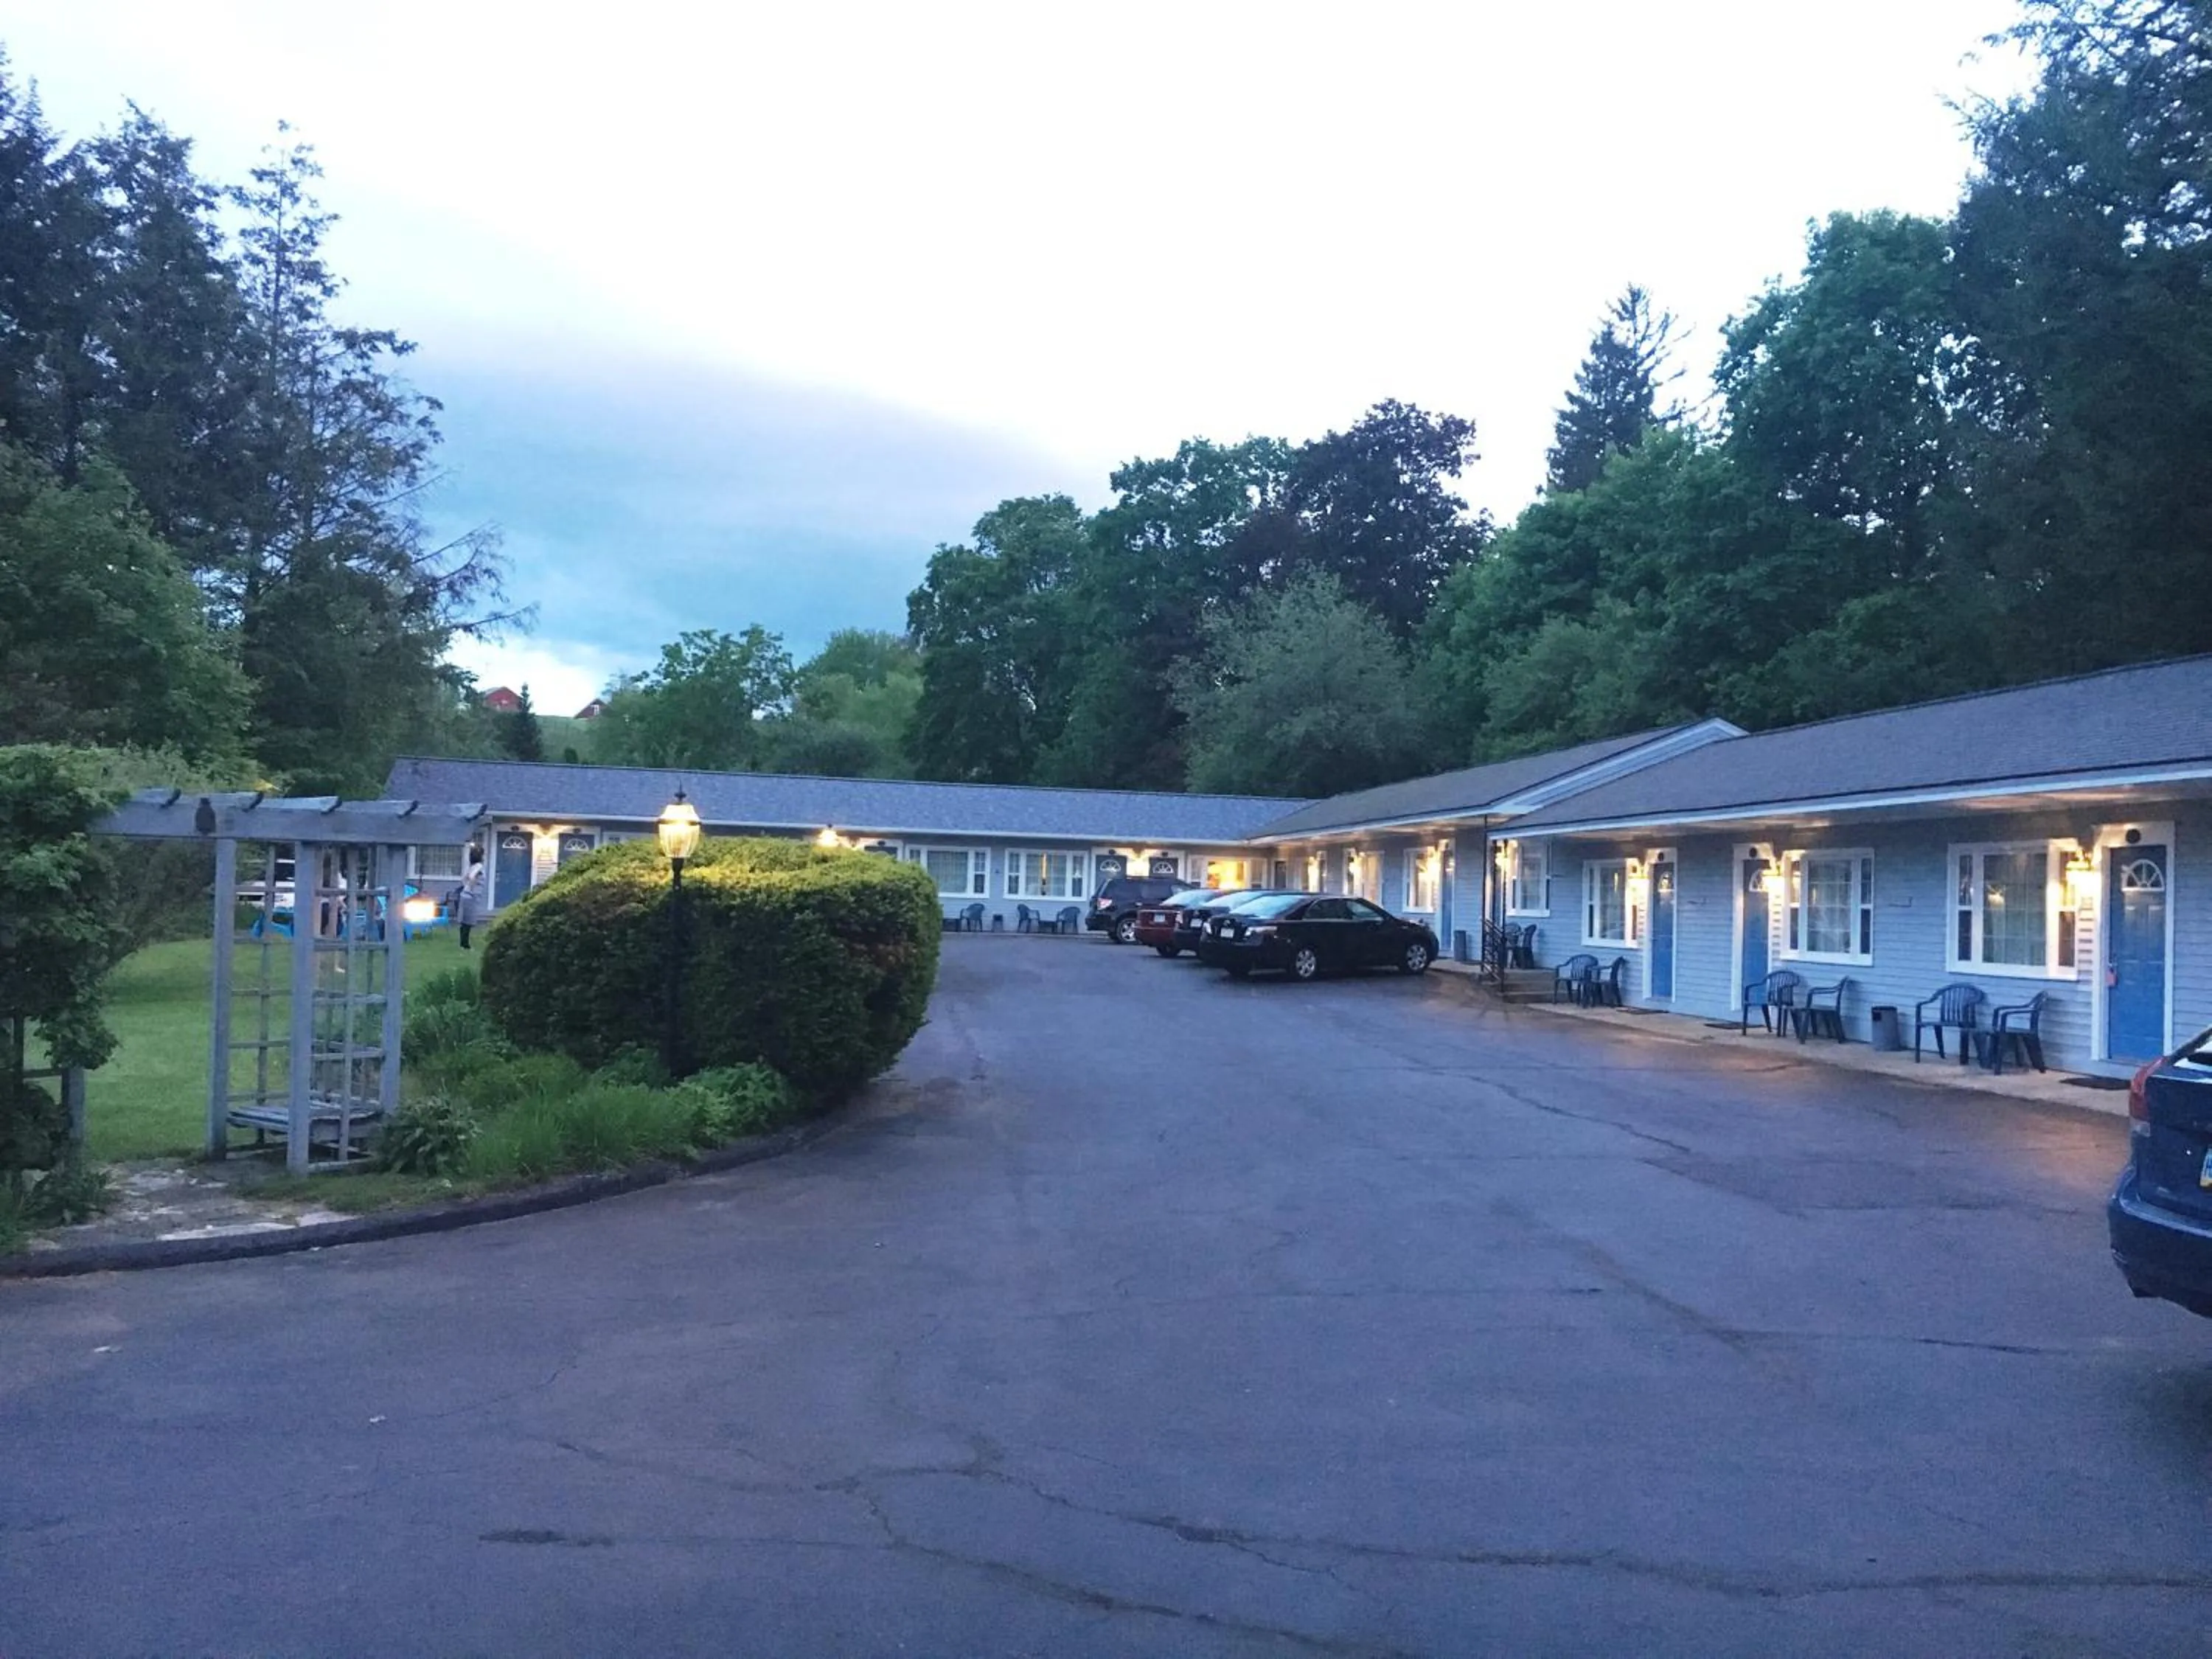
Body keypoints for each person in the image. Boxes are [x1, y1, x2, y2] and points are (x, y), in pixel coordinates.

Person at [456, 846, 487, 950]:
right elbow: (471, 877)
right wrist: (471, 888)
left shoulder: (472, 866)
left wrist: (466, 886)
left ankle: (463, 944)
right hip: (471, 897)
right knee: (468, 922)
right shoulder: (479, 866)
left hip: (465, 895)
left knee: (465, 922)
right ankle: (465, 945)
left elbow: (464, 879)